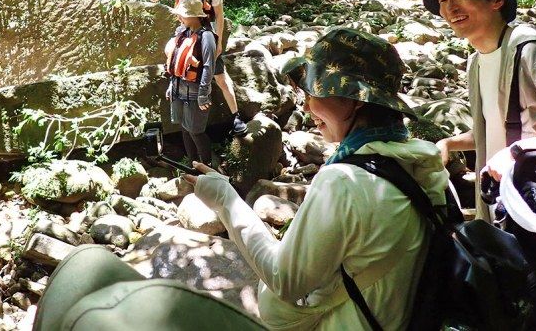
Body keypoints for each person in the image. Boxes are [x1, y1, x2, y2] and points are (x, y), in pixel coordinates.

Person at [183, 28, 449, 330]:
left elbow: (285, 281)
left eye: (314, 93)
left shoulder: (344, 181)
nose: (307, 107)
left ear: (355, 99)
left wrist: (225, 199)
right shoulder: (420, 162)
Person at [420, 0, 536, 222]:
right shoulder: (477, 61)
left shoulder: (532, 53)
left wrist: (515, 153)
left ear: (497, 0)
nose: (450, 8)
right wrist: (449, 143)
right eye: (443, 0)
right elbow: (493, 127)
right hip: (503, 206)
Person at [148, 0, 247, 136]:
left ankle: (236, 117)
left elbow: (219, 14)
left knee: (219, 76)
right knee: (182, 67)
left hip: (206, 32)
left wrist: (217, 41)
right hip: (185, 33)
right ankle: (187, 121)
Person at [165, 0, 217, 167]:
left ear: (196, 16)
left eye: (183, 15)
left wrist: (203, 94)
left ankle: (207, 166)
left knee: (196, 131)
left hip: (195, 93)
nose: (179, 18)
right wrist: (171, 86)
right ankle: (192, 163)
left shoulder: (206, 36)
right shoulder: (182, 33)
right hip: (178, 89)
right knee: (185, 129)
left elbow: (209, 67)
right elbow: (175, 62)